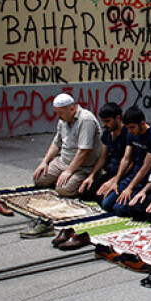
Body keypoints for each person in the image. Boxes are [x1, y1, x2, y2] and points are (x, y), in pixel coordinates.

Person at [24, 93, 103, 238]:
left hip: (82, 166)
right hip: (63, 160)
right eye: (56, 113)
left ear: (72, 109)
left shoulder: (86, 119)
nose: (58, 117)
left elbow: (84, 151)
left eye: (60, 113)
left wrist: (69, 171)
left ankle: (67, 180)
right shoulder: (63, 120)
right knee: (39, 179)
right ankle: (59, 177)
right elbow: (56, 143)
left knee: (63, 189)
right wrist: (45, 162)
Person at [97, 107, 151, 215]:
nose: (130, 131)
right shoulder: (131, 134)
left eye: (132, 127)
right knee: (106, 203)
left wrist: (130, 188)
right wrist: (116, 181)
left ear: (142, 123)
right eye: (128, 128)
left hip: (145, 178)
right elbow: (126, 158)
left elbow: (145, 168)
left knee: (119, 209)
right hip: (131, 175)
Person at [78, 102, 126, 201]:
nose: (105, 125)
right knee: (85, 192)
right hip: (110, 172)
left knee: (104, 199)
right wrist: (92, 176)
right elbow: (103, 158)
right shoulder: (107, 134)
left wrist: (115, 180)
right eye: (103, 121)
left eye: (108, 121)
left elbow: (129, 161)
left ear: (117, 118)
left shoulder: (127, 133)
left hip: (123, 174)